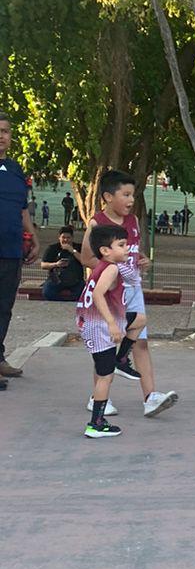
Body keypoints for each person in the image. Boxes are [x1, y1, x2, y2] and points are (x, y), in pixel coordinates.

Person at [82, 169, 178, 417]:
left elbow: (133, 253)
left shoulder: (133, 221)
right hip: (111, 294)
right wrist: (114, 272)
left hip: (133, 291)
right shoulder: (97, 223)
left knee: (141, 341)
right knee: (106, 347)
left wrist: (141, 261)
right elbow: (87, 257)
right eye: (125, 194)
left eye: (132, 195)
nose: (131, 200)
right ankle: (98, 397)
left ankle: (151, 398)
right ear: (107, 196)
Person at [77, 224, 141, 439]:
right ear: (105, 250)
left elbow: (133, 277)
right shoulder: (111, 268)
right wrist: (112, 324)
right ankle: (95, 423)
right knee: (105, 377)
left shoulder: (108, 265)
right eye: (121, 245)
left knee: (139, 319)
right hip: (99, 327)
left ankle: (121, 359)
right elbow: (97, 295)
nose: (127, 248)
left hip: (93, 323)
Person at [0, 115, 43, 383]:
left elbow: (22, 209)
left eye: (5, 131)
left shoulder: (16, 171)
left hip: (11, 251)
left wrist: (35, 238)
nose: (1, 135)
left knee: (4, 307)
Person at [40, 227, 85, 301]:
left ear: (72, 238)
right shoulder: (52, 248)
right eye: (63, 237)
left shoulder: (79, 247)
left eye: (68, 238)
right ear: (59, 238)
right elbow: (43, 265)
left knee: (82, 293)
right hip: (56, 279)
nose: (66, 240)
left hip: (76, 280)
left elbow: (84, 261)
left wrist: (72, 251)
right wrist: (56, 264)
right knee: (47, 292)